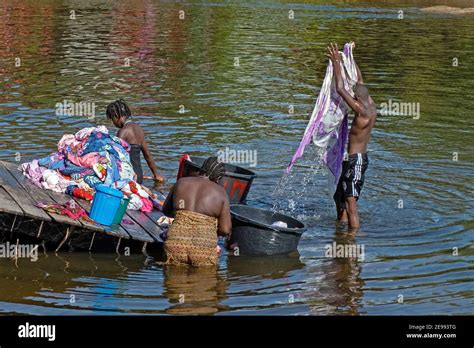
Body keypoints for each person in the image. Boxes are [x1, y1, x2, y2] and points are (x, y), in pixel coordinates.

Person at [326, 43, 377, 229]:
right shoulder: (371, 105)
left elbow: (340, 88)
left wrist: (337, 62)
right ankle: (340, 231)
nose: (352, 97)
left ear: (357, 99)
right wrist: (350, 55)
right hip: (353, 160)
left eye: (353, 95)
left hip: (356, 161)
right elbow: (360, 78)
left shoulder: (361, 110)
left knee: (350, 203)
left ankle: (353, 238)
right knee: (339, 197)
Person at [162, 156, 232, 266]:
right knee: (205, 280)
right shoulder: (221, 193)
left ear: (202, 169)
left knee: (173, 280)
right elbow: (225, 229)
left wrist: (182, 218)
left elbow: (166, 210)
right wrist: (210, 231)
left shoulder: (181, 182)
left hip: (176, 243)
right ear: (218, 178)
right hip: (203, 249)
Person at [106, 99, 165, 184]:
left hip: (129, 177)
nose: (113, 123)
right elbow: (147, 155)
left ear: (116, 116)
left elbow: (116, 156)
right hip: (139, 176)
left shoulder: (122, 132)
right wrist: (156, 174)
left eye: (112, 119)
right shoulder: (139, 129)